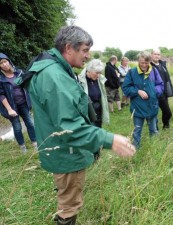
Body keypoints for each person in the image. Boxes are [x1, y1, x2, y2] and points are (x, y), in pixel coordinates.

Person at [16, 25, 136, 225]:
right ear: (69, 48)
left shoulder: (53, 67)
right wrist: (110, 140)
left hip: (63, 149)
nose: (88, 56)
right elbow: (70, 128)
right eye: (85, 50)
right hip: (66, 151)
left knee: (67, 197)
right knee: (69, 205)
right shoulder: (54, 77)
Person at [122, 51, 164, 148]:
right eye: (142, 63)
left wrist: (154, 92)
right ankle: (135, 150)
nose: (144, 65)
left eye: (146, 63)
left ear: (149, 61)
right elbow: (126, 88)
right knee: (136, 131)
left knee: (153, 130)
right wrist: (137, 91)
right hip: (137, 108)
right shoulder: (132, 72)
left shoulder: (154, 71)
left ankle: (154, 149)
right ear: (138, 61)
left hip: (152, 107)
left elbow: (160, 85)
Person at [0, 53, 37, 153]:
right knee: (17, 127)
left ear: (9, 61)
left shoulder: (19, 72)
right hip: (12, 107)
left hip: (24, 104)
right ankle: (22, 147)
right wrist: (9, 109)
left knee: (30, 123)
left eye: (5, 61)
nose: (4, 64)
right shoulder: (1, 79)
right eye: (1, 63)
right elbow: (1, 95)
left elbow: (28, 83)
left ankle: (35, 143)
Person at [78, 59, 109, 128]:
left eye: (100, 72)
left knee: (98, 132)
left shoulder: (99, 79)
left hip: (98, 113)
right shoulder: (80, 81)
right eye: (96, 72)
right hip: (88, 113)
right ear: (89, 70)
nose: (98, 75)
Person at [151, 49, 173, 129]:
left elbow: (167, 79)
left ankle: (166, 126)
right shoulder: (149, 66)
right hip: (153, 93)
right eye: (155, 54)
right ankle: (155, 130)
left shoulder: (163, 65)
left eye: (158, 54)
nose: (156, 56)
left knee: (168, 112)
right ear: (151, 55)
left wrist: (169, 90)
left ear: (160, 56)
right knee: (154, 113)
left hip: (163, 93)